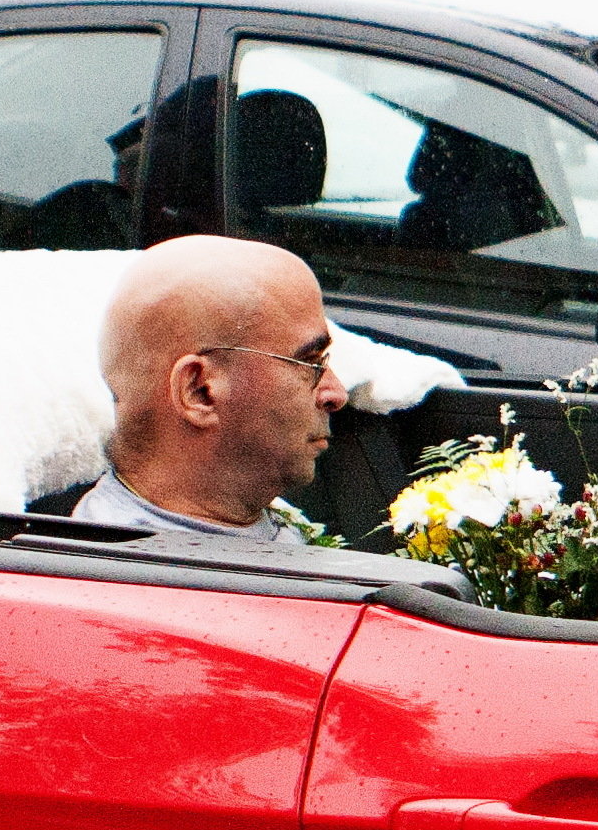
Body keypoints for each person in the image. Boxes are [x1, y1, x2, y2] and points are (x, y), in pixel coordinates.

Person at [72, 234, 448, 580]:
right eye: (310, 364)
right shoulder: (141, 587)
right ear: (200, 391)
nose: (335, 394)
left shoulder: (191, 546)